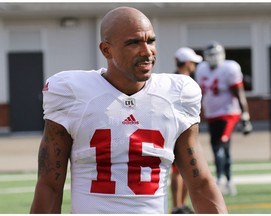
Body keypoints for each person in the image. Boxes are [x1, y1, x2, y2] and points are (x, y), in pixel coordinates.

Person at [30, 7, 227, 214]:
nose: (147, 51)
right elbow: (50, 185)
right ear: (107, 50)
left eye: (150, 41)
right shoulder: (71, 93)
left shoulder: (177, 95)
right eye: (134, 42)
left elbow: (200, 183)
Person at [195, 41, 253, 196]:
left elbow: (239, 93)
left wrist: (245, 117)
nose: (213, 58)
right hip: (212, 114)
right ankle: (229, 180)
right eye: (210, 55)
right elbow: (200, 94)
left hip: (229, 113)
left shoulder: (229, 68)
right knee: (221, 148)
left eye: (215, 54)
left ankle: (220, 180)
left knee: (220, 144)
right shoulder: (201, 69)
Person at [170, 47, 202, 214]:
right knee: (179, 171)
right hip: (180, 130)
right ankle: (177, 206)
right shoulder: (182, 81)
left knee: (183, 172)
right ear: (188, 62)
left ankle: (180, 205)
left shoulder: (174, 79)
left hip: (179, 129)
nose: (195, 66)